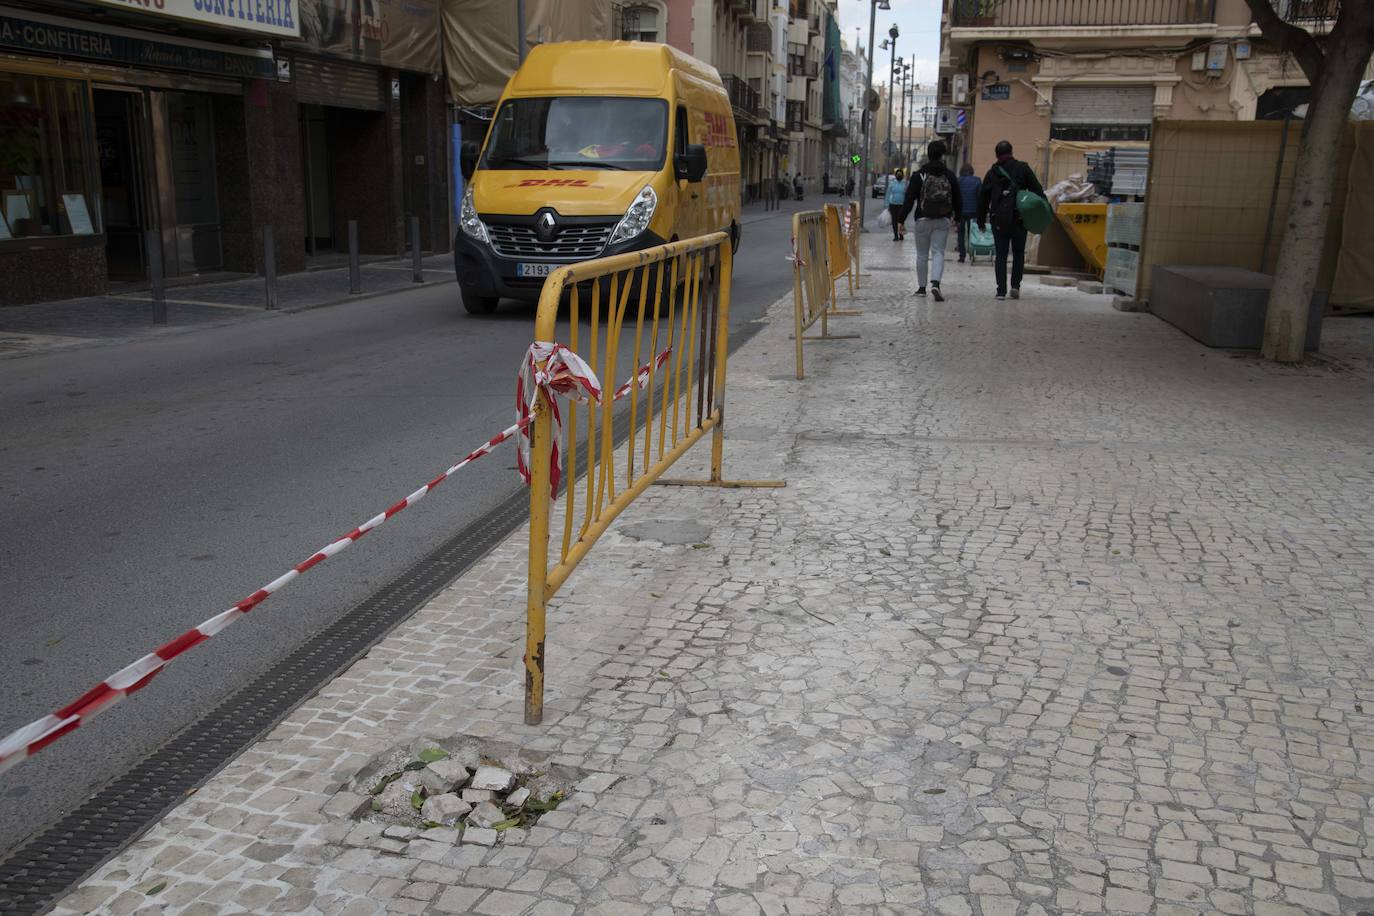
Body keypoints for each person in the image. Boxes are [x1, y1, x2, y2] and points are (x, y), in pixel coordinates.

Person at [977, 140, 1047, 300]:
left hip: (999, 220)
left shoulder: (992, 173)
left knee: (1001, 255)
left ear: (997, 155)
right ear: (1012, 151)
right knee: (1018, 253)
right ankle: (1015, 286)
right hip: (1019, 219)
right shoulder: (1023, 168)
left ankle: (1001, 291)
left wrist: (981, 220)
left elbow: (983, 198)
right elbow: (1038, 190)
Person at [900, 140, 962, 302]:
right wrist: (958, 217)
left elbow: (909, 199)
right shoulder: (949, 175)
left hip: (922, 219)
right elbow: (957, 197)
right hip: (942, 219)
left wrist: (901, 220)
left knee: (921, 255)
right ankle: (935, 283)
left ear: (928, 154)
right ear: (942, 155)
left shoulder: (918, 175)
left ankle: (921, 288)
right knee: (938, 252)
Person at [956, 163, 982, 263]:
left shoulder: (958, 181)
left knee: (960, 233)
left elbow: (956, 196)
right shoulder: (977, 180)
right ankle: (972, 253)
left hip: (961, 211)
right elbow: (980, 196)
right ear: (972, 171)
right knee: (972, 233)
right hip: (973, 211)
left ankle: (962, 256)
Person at [885, 168, 909, 241]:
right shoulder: (892, 184)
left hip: (902, 205)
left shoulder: (905, 184)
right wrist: (887, 205)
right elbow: (888, 194)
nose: (899, 176)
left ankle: (901, 234)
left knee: (901, 220)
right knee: (894, 221)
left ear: (902, 175)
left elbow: (907, 195)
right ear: (895, 175)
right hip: (893, 204)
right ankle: (896, 235)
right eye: (898, 174)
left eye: (900, 174)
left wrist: (907, 204)